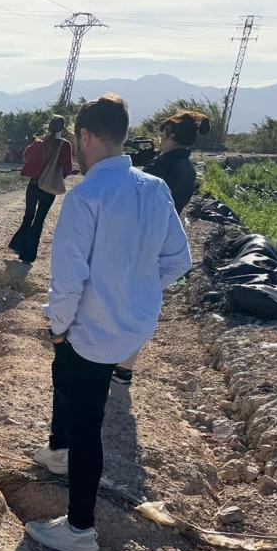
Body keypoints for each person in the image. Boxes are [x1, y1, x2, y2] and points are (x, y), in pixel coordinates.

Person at [27, 94, 192, 551]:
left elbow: (68, 280)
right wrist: (135, 286)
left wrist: (58, 326)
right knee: (70, 382)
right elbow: (179, 260)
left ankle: (79, 528)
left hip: (92, 330)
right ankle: (57, 452)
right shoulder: (155, 188)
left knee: (88, 421)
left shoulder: (87, 197)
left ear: (84, 136)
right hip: (132, 325)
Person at [111, 110, 209, 386]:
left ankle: (110, 355)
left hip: (137, 239)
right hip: (162, 240)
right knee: (142, 304)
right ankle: (124, 367)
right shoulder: (186, 168)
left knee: (119, 299)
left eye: (162, 134)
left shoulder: (161, 168)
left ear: (171, 136)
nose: (159, 139)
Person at [8, 115, 73, 264]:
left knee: (28, 216)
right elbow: (67, 168)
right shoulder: (65, 145)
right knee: (39, 220)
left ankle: (19, 246)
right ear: (63, 128)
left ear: (48, 126)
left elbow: (26, 156)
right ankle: (28, 256)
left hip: (33, 184)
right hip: (49, 187)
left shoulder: (39, 142)